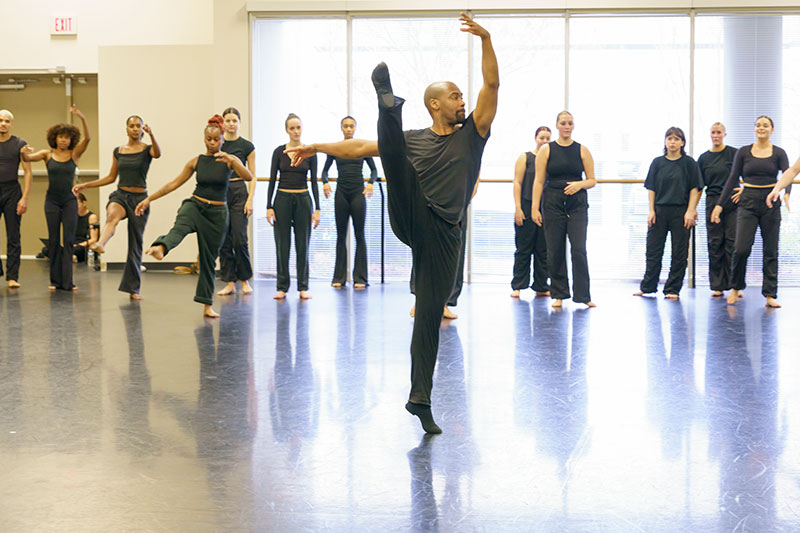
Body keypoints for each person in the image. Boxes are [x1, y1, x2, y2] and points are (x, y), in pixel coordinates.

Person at [286, 12, 498, 434]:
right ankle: (388, 107)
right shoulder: (417, 136)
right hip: (412, 212)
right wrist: (315, 146)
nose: (462, 101)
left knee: (429, 316)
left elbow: (491, 85)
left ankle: (420, 398)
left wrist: (487, 40)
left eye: (462, 95)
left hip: (444, 235)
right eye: (454, 96)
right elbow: (359, 147)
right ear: (435, 103)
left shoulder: (472, 133)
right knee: (394, 157)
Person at [134, 115, 252, 318]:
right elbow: (173, 184)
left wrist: (233, 160)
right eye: (209, 139)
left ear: (223, 139)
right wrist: (148, 199)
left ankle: (207, 306)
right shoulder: (196, 161)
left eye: (216, 140)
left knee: (208, 260)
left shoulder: (229, 161)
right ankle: (161, 247)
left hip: (217, 214)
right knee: (180, 226)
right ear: (204, 139)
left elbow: (248, 176)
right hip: (196, 205)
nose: (212, 143)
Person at [73, 115, 161, 299]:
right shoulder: (118, 151)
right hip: (121, 194)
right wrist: (86, 185)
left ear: (142, 128)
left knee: (135, 243)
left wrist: (152, 135)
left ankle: (133, 289)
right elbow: (111, 177)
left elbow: (157, 154)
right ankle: (100, 243)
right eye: (132, 126)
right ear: (126, 128)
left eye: (138, 126)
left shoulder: (147, 150)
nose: (135, 129)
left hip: (140, 199)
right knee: (112, 216)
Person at [711, 116, 791, 308]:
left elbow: (788, 174)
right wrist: (720, 205)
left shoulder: (779, 153)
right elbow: (732, 179)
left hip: (770, 202)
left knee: (770, 250)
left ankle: (770, 295)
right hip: (748, 201)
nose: (761, 128)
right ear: (754, 129)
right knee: (740, 248)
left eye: (765, 125)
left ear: (772, 130)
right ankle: (736, 288)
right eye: (758, 125)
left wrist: (786, 193)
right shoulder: (744, 152)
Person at [530, 111, 596, 309]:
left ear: (573, 126)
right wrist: (535, 207)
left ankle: (583, 296)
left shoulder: (582, 150)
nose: (567, 126)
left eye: (570, 123)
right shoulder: (546, 150)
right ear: (557, 126)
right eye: (563, 123)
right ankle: (559, 294)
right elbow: (539, 180)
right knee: (555, 249)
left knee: (578, 249)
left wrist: (580, 185)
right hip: (552, 201)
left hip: (577, 202)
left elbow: (592, 180)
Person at [23, 105, 90, 291]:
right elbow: (27, 158)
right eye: (61, 137)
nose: (63, 140)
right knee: (53, 240)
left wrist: (82, 117)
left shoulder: (74, 154)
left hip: (69, 201)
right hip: (51, 200)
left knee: (68, 240)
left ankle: (68, 282)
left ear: (71, 140)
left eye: (67, 137)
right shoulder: (47, 154)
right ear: (55, 138)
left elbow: (89, 138)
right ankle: (54, 281)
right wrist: (23, 150)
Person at [633, 127, 703, 300]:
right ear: (665, 142)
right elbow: (652, 188)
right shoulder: (657, 163)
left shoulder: (689, 163)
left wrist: (691, 210)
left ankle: (673, 289)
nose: (672, 142)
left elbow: (696, 188)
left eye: (676, 139)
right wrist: (650, 210)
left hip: (681, 211)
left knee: (679, 252)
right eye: (669, 138)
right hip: (659, 210)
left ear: (682, 143)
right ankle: (648, 286)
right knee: (653, 250)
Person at [266, 114, 320, 300]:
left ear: (302, 128)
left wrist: (317, 208)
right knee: (282, 244)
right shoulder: (278, 152)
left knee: (302, 244)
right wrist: (269, 206)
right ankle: (282, 287)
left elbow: (314, 181)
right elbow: (272, 179)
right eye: (292, 128)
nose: (296, 131)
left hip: (303, 200)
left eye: (298, 127)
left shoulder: (310, 153)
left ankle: (303, 287)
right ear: (286, 130)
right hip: (281, 199)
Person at [321, 116, 378, 289]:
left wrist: (370, 183)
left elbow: (374, 170)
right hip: (341, 193)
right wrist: (324, 183)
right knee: (340, 235)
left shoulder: (362, 148)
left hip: (358, 193)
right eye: (345, 126)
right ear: (341, 128)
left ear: (355, 128)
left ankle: (360, 278)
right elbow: (324, 171)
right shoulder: (336, 149)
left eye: (351, 126)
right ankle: (339, 277)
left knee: (359, 235)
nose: (348, 129)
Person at [217, 107, 257, 296]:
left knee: (240, 239)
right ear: (223, 123)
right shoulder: (219, 144)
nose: (231, 124)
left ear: (239, 123)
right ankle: (229, 281)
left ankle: (244, 280)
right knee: (224, 238)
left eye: (235, 120)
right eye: (228, 120)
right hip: (221, 192)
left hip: (240, 191)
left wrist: (250, 199)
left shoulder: (247, 146)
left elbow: (253, 175)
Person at [697, 123, 739, 297]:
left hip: (732, 201)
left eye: (719, 132)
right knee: (715, 243)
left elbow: (748, 175)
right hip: (712, 200)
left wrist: (744, 190)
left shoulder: (734, 153)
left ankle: (734, 285)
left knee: (732, 242)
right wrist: (692, 208)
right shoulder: (703, 159)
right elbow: (698, 186)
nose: (716, 135)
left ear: (724, 134)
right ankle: (717, 285)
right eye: (713, 132)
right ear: (710, 135)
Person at [511, 126, 551, 298]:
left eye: (548, 138)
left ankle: (541, 286)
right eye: (542, 137)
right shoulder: (525, 157)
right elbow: (517, 182)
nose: (544, 141)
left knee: (544, 250)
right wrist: (518, 208)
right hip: (526, 207)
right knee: (523, 248)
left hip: (546, 209)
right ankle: (518, 286)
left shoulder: (552, 159)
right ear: (536, 138)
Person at [0, 109, 33, 289]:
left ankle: (12, 276)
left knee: (13, 235)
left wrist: (25, 198)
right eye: (0, 120)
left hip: (12, 190)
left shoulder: (20, 144)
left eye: (6, 121)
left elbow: (28, 172)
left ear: (11, 124)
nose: (3, 124)